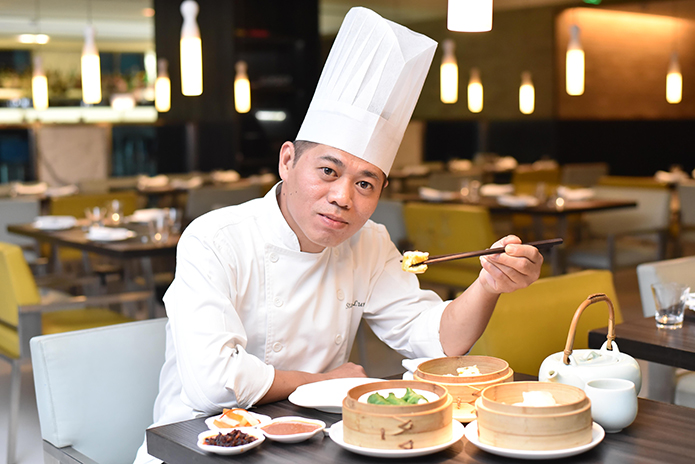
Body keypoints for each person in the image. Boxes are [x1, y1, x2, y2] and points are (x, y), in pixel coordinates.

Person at [134, 7, 542, 463]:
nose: (343, 197)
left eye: (365, 183)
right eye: (328, 171)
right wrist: (324, 381)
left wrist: (488, 283)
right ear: (287, 160)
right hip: (197, 444)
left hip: (311, 440)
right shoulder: (214, 239)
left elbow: (437, 340)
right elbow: (213, 384)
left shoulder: (369, 242)